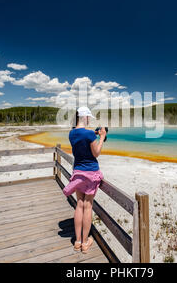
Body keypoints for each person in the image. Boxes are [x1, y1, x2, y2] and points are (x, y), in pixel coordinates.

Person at [62, 106, 106, 254]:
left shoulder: (72, 133)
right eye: (88, 118)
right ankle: (86, 242)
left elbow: (82, 138)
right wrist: (101, 137)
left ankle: (77, 241)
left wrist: (93, 134)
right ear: (85, 117)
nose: (89, 120)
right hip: (91, 173)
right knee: (88, 206)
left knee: (79, 205)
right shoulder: (89, 135)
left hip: (78, 173)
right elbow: (96, 153)